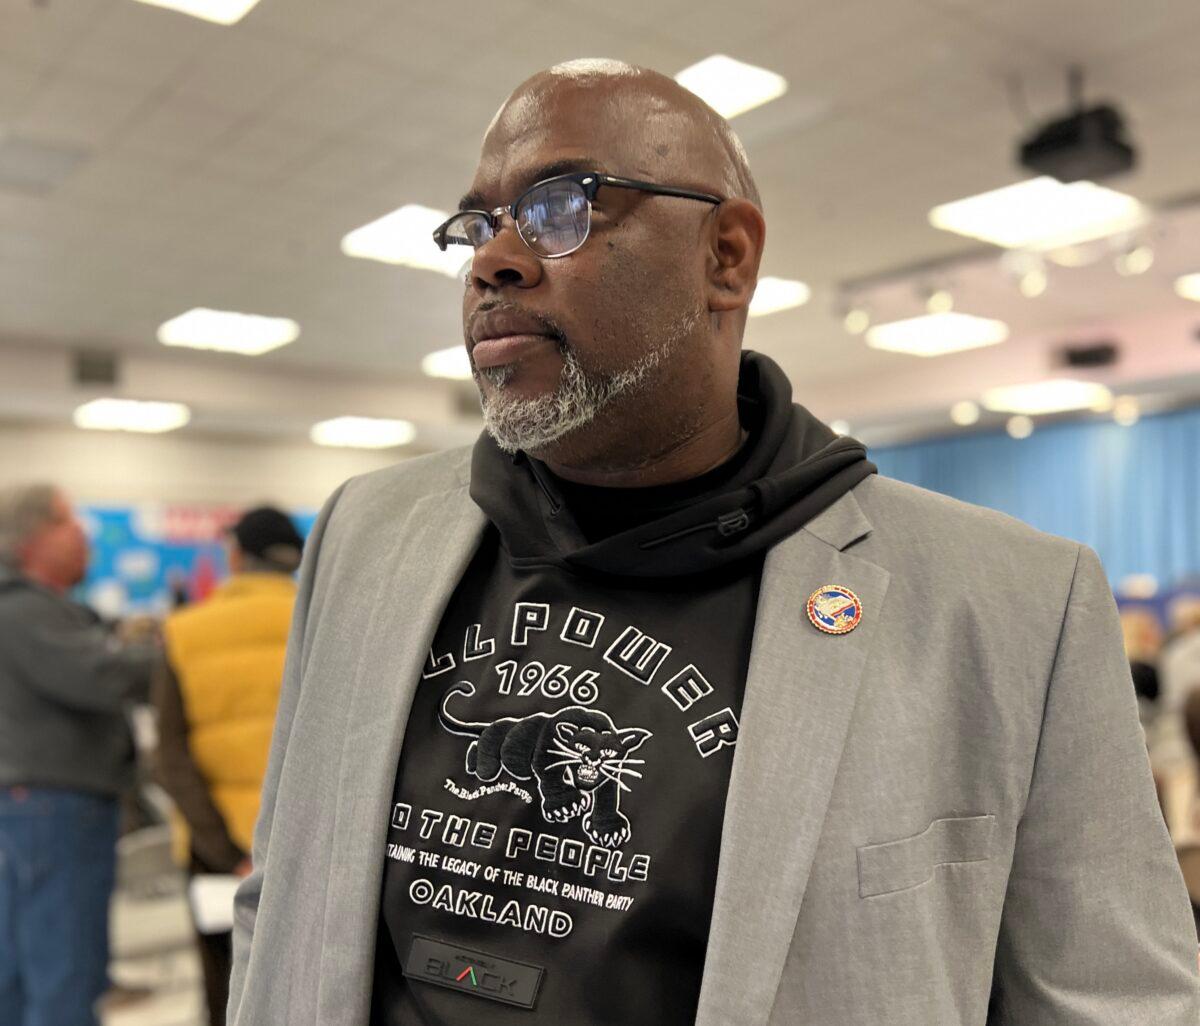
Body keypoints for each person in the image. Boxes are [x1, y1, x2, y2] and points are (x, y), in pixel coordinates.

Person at [228, 61, 1200, 1025]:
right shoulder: (363, 533)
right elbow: (283, 900)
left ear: (725, 257)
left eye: (560, 204)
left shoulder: (1013, 605)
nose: (494, 259)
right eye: (479, 225)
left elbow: (1116, 1000)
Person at [0, 483, 154, 1026]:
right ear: (34, 537)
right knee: (66, 966)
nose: (84, 534)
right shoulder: (23, 611)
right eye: (69, 521)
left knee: (25, 966)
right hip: (56, 809)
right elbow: (99, 675)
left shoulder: (35, 610)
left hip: (37, 808)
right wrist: (169, 653)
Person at [154, 506, 303, 1026]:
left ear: (236, 555)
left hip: (214, 852)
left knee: (227, 993)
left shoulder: (185, 630)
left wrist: (224, 850)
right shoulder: (333, 619)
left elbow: (170, 756)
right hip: (309, 846)